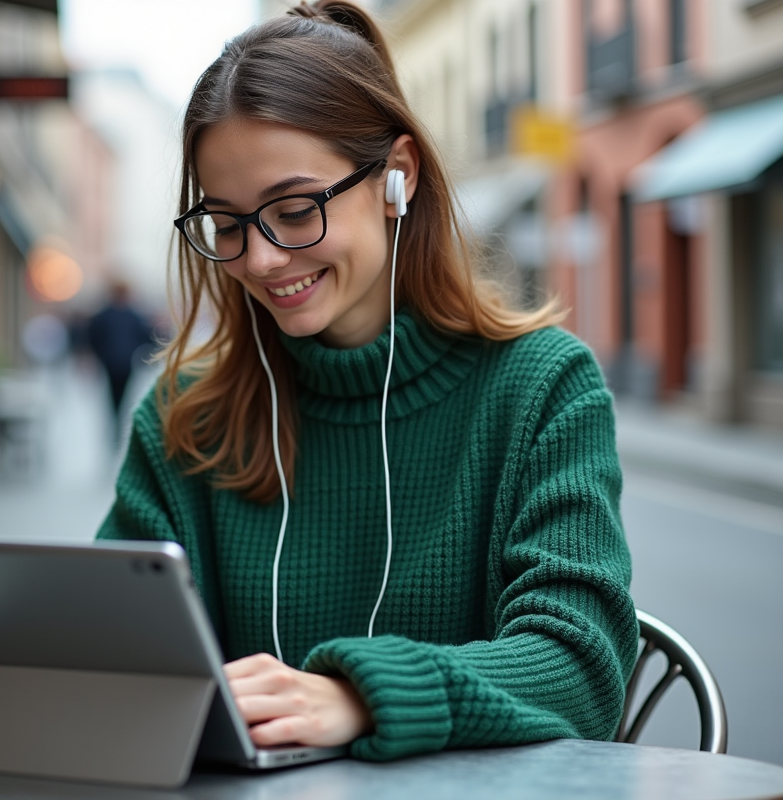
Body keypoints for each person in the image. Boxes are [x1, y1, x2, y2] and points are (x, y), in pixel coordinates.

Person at [96, 0, 638, 763]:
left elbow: (580, 666)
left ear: (397, 177)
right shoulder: (184, 416)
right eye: (228, 224)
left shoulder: (542, 388)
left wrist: (360, 695)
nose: (260, 259)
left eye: (294, 210)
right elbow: (111, 656)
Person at [86, 279, 155, 428]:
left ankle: (115, 418)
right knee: (122, 395)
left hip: (110, 362)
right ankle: (118, 418)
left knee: (114, 394)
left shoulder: (103, 315)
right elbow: (145, 337)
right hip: (126, 362)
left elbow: (93, 337)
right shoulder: (133, 315)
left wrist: (99, 355)